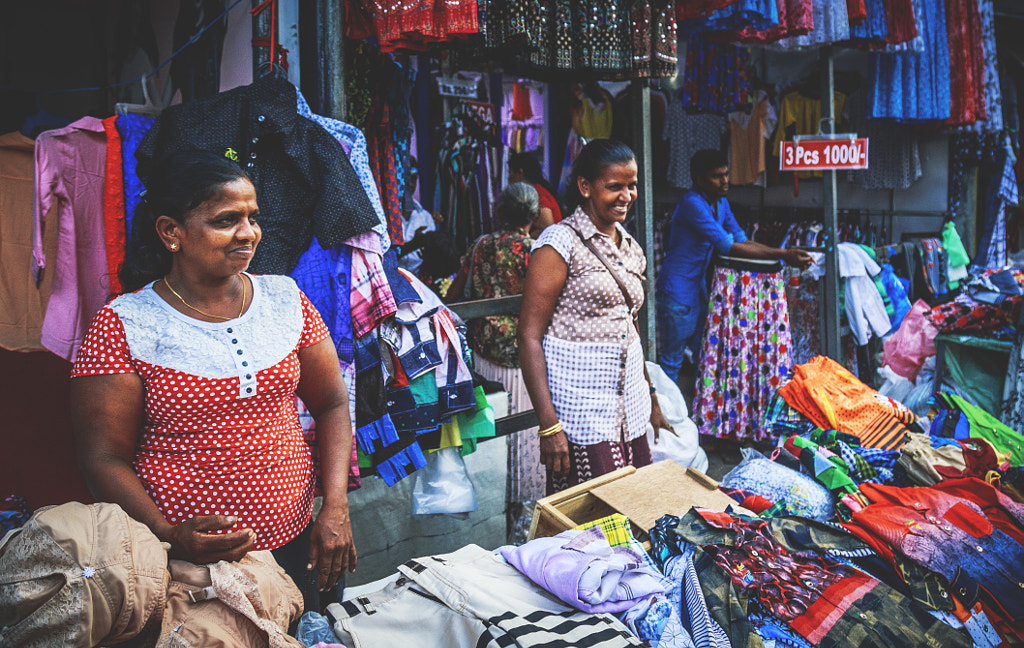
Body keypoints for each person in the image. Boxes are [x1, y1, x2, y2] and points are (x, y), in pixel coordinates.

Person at [69, 151, 356, 614]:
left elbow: (332, 403)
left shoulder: (286, 299)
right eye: (227, 220)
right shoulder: (125, 324)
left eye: (253, 217)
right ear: (171, 232)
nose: (248, 234)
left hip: (299, 540)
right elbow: (104, 457)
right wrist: (168, 535)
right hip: (186, 564)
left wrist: (335, 507)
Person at [518, 139, 673, 494]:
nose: (627, 195)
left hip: (629, 408)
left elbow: (629, 324)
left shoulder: (629, 247)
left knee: (634, 509)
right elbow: (528, 336)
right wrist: (549, 426)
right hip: (581, 411)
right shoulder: (560, 242)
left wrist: (650, 397)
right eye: (614, 186)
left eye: (631, 185)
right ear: (585, 187)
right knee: (592, 526)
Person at [656, 149, 813, 384]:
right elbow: (727, 246)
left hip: (696, 287)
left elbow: (741, 239)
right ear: (699, 180)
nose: (725, 181)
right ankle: (665, 417)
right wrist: (783, 254)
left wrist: (782, 255)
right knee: (672, 361)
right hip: (677, 290)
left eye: (726, 174)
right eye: (717, 176)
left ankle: (695, 413)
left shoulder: (721, 203)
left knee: (704, 355)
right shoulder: (692, 204)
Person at [448, 183, 544, 519]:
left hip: (486, 352)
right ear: (533, 215)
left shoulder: (480, 245)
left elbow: (458, 290)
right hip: (523, 355)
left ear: (500, 211)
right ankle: (522, 500)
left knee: (493, 422)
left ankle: (493, 497)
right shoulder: (536, 249)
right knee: (525, 432)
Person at [397, 156, 440, 277]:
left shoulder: (425, 217)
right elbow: (385, 258)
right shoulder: (387, 217)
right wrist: (413, 244)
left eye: (413, 179)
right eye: (406, 178)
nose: (410, 184)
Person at [508, 151, 562, 237]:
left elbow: (548, 232)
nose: (508, 178)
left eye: (510, 172)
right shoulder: (535, 192)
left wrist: (526, 238)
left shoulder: (541, 198)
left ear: (520, 173)